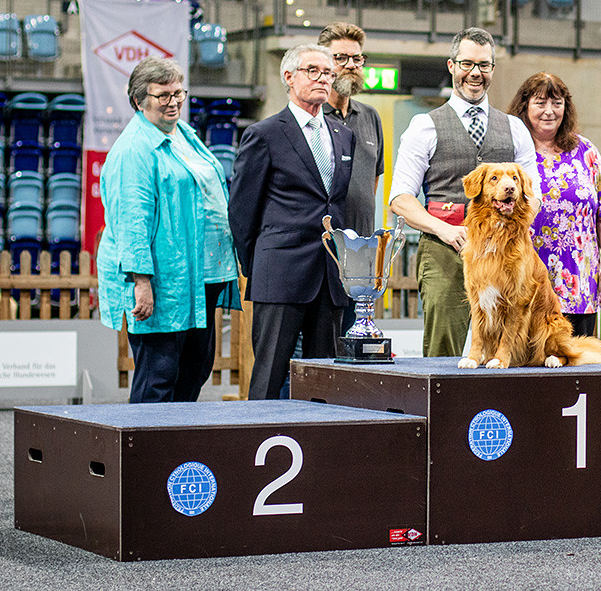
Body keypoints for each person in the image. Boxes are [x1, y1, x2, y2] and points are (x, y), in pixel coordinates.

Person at [97, 57, 241, 403]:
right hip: (163, 279)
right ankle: (145, 454)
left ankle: (175, 450)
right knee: (158, 376)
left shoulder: (184, 134)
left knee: (195, 368)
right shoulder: (134, 150)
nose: (174, 101)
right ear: (138, 101)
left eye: (179, 92)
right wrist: (140, 281)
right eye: (163, 95)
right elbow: (132, 220)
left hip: (202, 275)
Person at [388, 27, 538, 357]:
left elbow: (534, 194)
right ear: (452, 66)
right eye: (467, 63)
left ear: (493, 70)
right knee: (444, 349)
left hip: (505, 253)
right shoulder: (424, 125)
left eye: (484, 65)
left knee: (505, 346)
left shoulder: (515, 128)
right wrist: (445, 230)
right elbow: (400, 197)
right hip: (445, 250)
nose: (475, 73)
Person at [228, 44, 355, 400]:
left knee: (324, 382)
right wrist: (258, 263)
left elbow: (337, 202)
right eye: (313, 71)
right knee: (269, 376)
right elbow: (241, 210)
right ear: (289, 77)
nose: (323, 79)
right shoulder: (264, 133)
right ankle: (255, 446)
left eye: (328, 73)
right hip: (279, 271)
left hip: (329, 276)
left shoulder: (344, 135)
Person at [507, 72, 601, 337]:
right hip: (525, 284)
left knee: (577, 365)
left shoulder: (586, 150)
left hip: (579, 284)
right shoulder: (511, 153)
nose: (549, 111)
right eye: (540, 102)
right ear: (524, 107)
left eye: (557, 103)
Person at [317, 22, 385, 334]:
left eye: (357, 59)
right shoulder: (312, 118)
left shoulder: (370, 117)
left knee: (354, 345)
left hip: (361, 257)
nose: (351, 66)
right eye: (341, 58)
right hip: (322, 254)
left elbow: (371, 183)